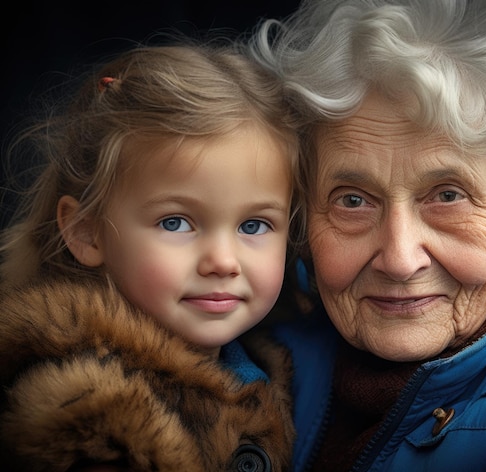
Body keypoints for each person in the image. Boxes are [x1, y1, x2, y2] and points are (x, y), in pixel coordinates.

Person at [250, 0, 486, 470]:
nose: (401, 259)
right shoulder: (256, 344)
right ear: (302, 219)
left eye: (448, 196)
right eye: (353, 200)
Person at [0, 38, 301, 471]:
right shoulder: (89, 421)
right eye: (175, 222)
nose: (222, 261)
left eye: (253, 226)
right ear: (87, 233)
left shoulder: (273, 365)